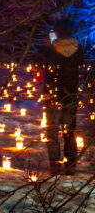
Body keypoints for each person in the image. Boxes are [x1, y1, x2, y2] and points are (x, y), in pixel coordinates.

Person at [38, 20, 84, 175]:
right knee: (69, 131)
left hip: (52, 95)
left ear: (57, 32)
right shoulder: (78, 49)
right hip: (70, 95)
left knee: (52, 132)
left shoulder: (50, 50)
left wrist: (47, 45)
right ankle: (71, 165)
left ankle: (55, 164)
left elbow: (37, 61)